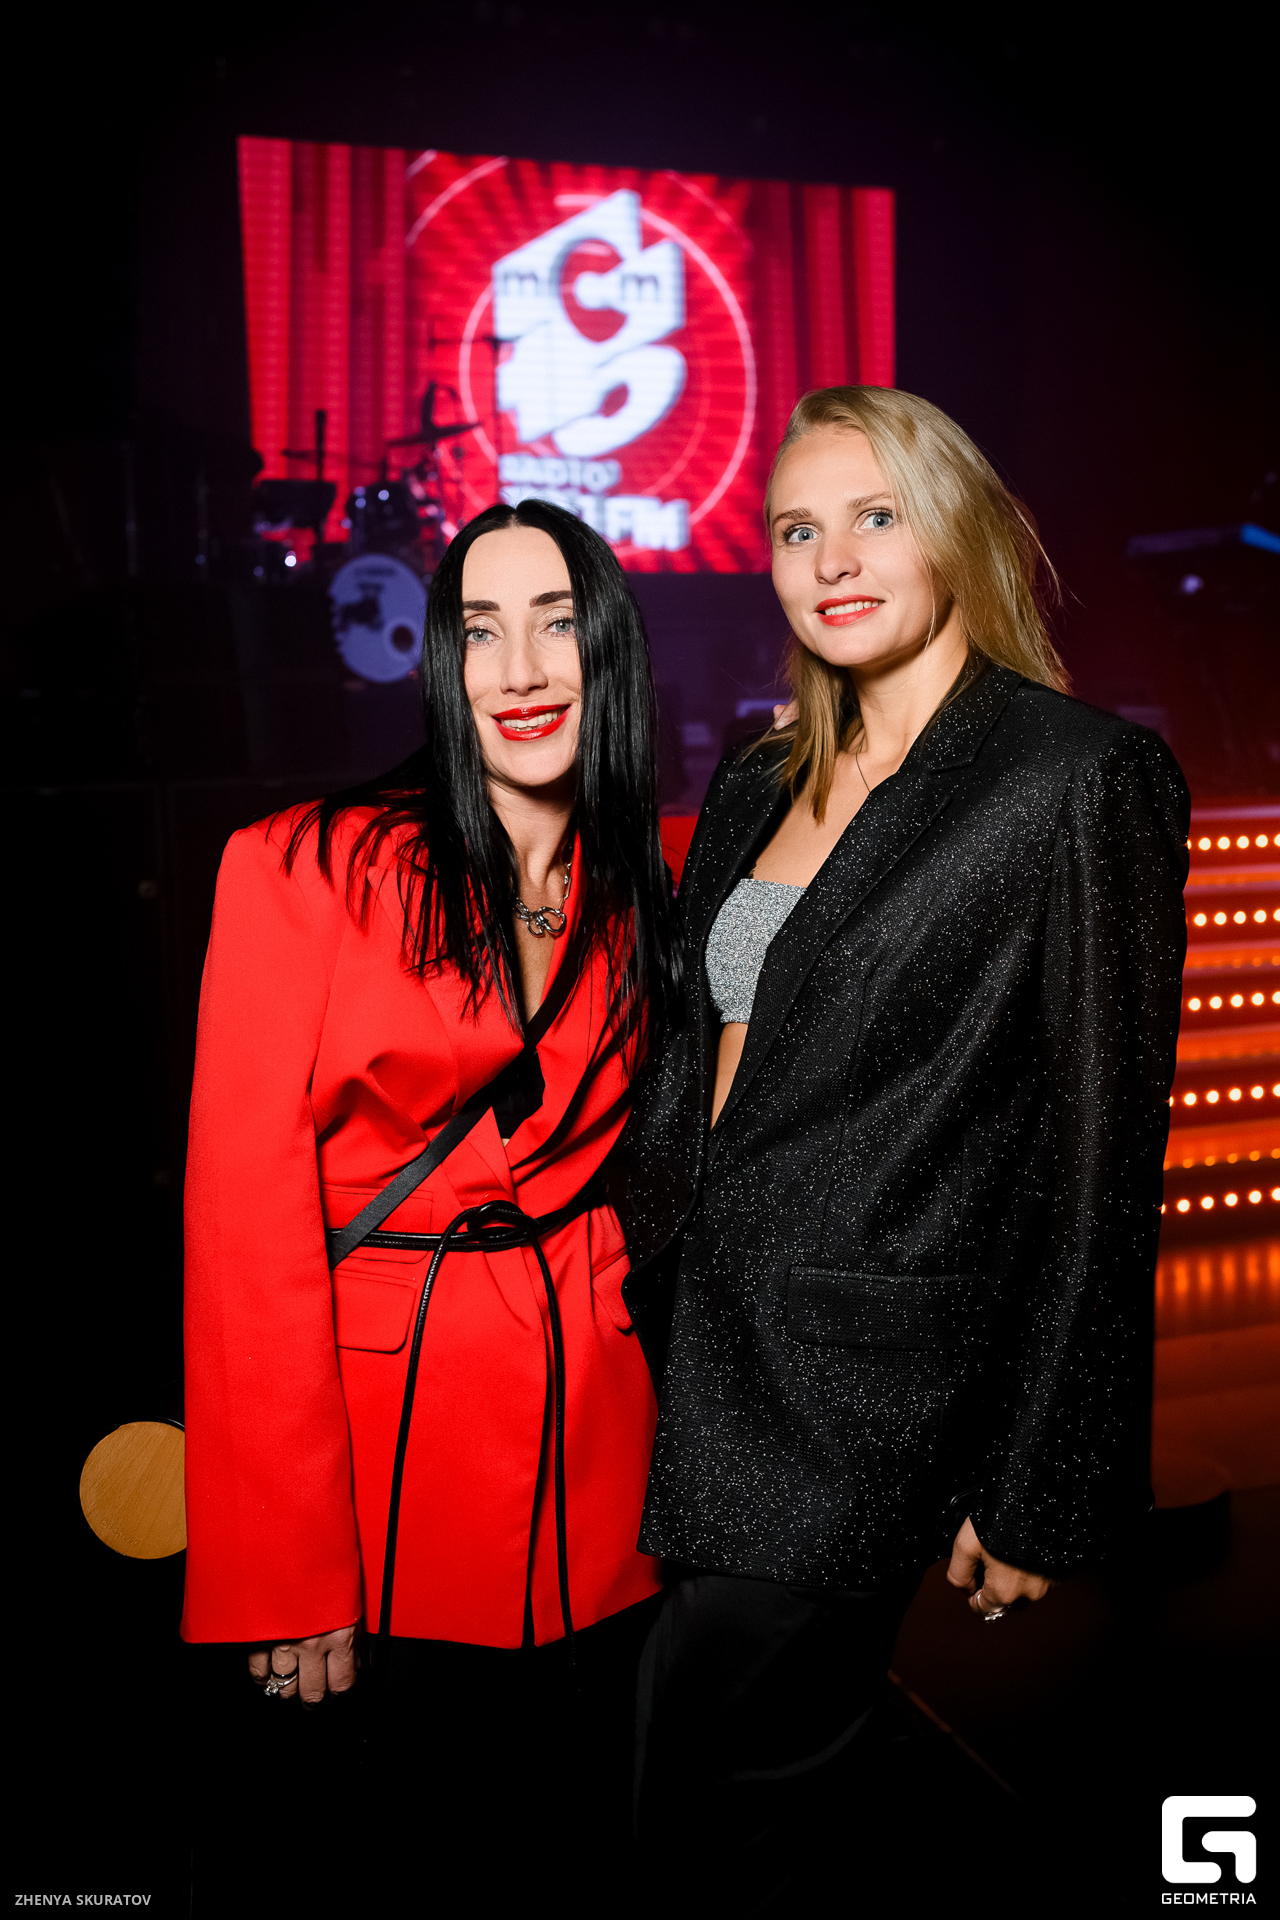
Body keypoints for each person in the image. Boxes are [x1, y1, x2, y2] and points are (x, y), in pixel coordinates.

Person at [608, 385, 1189, 1910]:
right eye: (797, 529)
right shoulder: (759, 775)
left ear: (956, 528)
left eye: (875, 516)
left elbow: (1103, 1157)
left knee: (710, 1791)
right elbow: (698, 1062)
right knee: (718, 1782)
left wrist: (1048, 1476)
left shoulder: (1073, 779)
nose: (833, 560)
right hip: (686, 1347)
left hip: (863, 1394)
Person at [182, 499, 678, 1910]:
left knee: (586, 1861)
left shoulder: (652, 877)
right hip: (381, 1466)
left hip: (602, 1466)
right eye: (479, 631)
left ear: (612, 648)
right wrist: (284, 1570)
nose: (520, 670)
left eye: (558, 624)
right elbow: (243, 1233)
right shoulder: (305, 866)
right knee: (395, 1874)